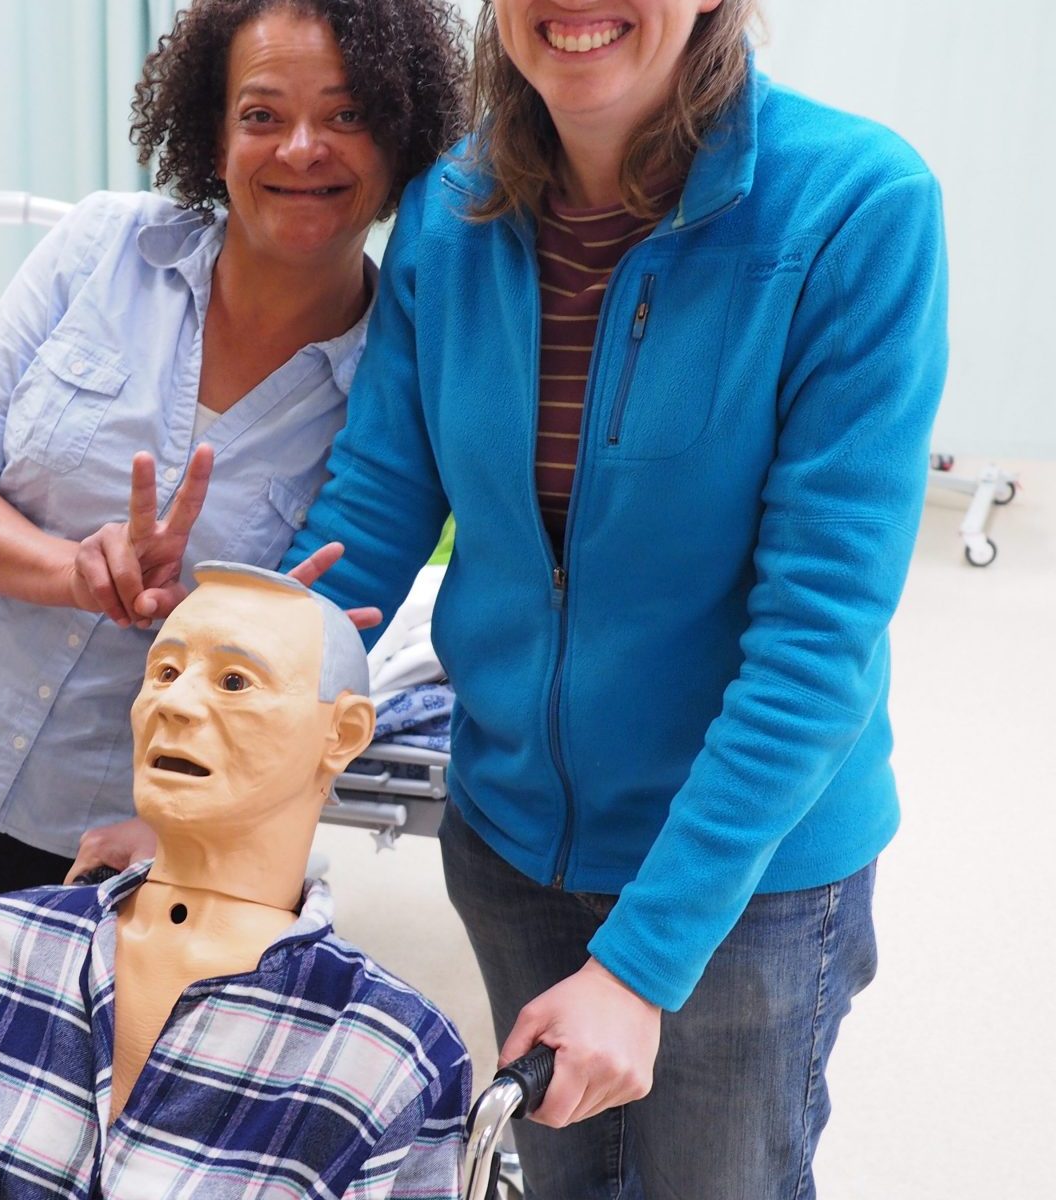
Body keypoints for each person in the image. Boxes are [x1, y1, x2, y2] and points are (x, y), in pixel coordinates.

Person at [0, 2, 468, 1191]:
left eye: (345, 117)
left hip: (86, 841)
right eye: (262, 115)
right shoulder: (104, 250)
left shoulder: (392, 386)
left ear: (400, 140)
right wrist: (72, 569)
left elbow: (311, 656)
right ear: (211, 134)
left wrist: (192, 832)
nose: (301, 149)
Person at [266, 1, 947, 1197]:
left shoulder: (854, 207)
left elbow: (819, 638)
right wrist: (223, 764)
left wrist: (640, 964)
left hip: (746, 880)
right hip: (511, 836)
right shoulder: (449, 210)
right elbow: (367, 519)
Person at [0, 563, 470, 1199]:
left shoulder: (393, 1052)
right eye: (166, 672)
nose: (173, 703)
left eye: (234, 681)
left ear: (343, 734)